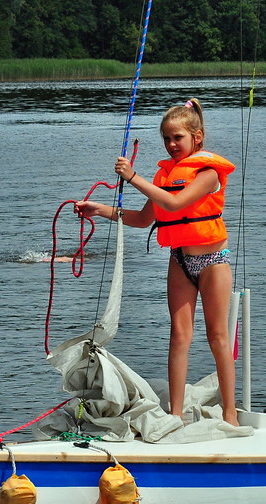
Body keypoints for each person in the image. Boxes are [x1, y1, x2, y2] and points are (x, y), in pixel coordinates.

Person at [74, 98, 239, 426]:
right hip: (180, 260)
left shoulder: (208, 174)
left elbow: (176, 204)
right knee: (179, 336)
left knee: (217, 336)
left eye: (178, 137)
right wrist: (99, 209)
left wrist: (133, 177)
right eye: (166, 138)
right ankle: (175, 414)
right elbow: (142, 218)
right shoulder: (164, 175)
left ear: (197, 137)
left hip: (213, 261)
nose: (171, 144)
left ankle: (230, 413)